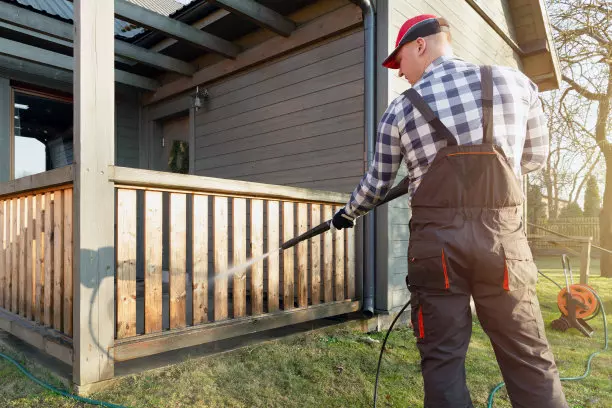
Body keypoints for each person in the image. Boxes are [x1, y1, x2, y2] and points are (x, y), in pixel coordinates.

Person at [331, 14, 568, 408]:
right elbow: (533, 159)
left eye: (400, 61)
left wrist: (348, 213)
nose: (401, 73)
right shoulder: (517, 84)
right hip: (503, 247)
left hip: (437, 252)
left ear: (420, 45)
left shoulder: (399, 110)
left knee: (442, 359)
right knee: (528, 355)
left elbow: (376, 185)